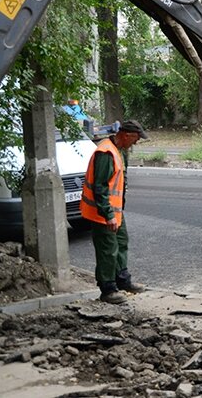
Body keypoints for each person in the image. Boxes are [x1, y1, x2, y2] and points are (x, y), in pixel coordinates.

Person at [81, 119, 148, 304]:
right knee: (107, 250)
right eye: (135, 138)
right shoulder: (105, 153)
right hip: (103, 213)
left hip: (114, 211)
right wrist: (108, 214)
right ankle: (108, 289)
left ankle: (123, 280)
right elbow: (100, 187)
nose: (136, 143)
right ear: (126, 135)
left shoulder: (117, 150)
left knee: (121, 242)